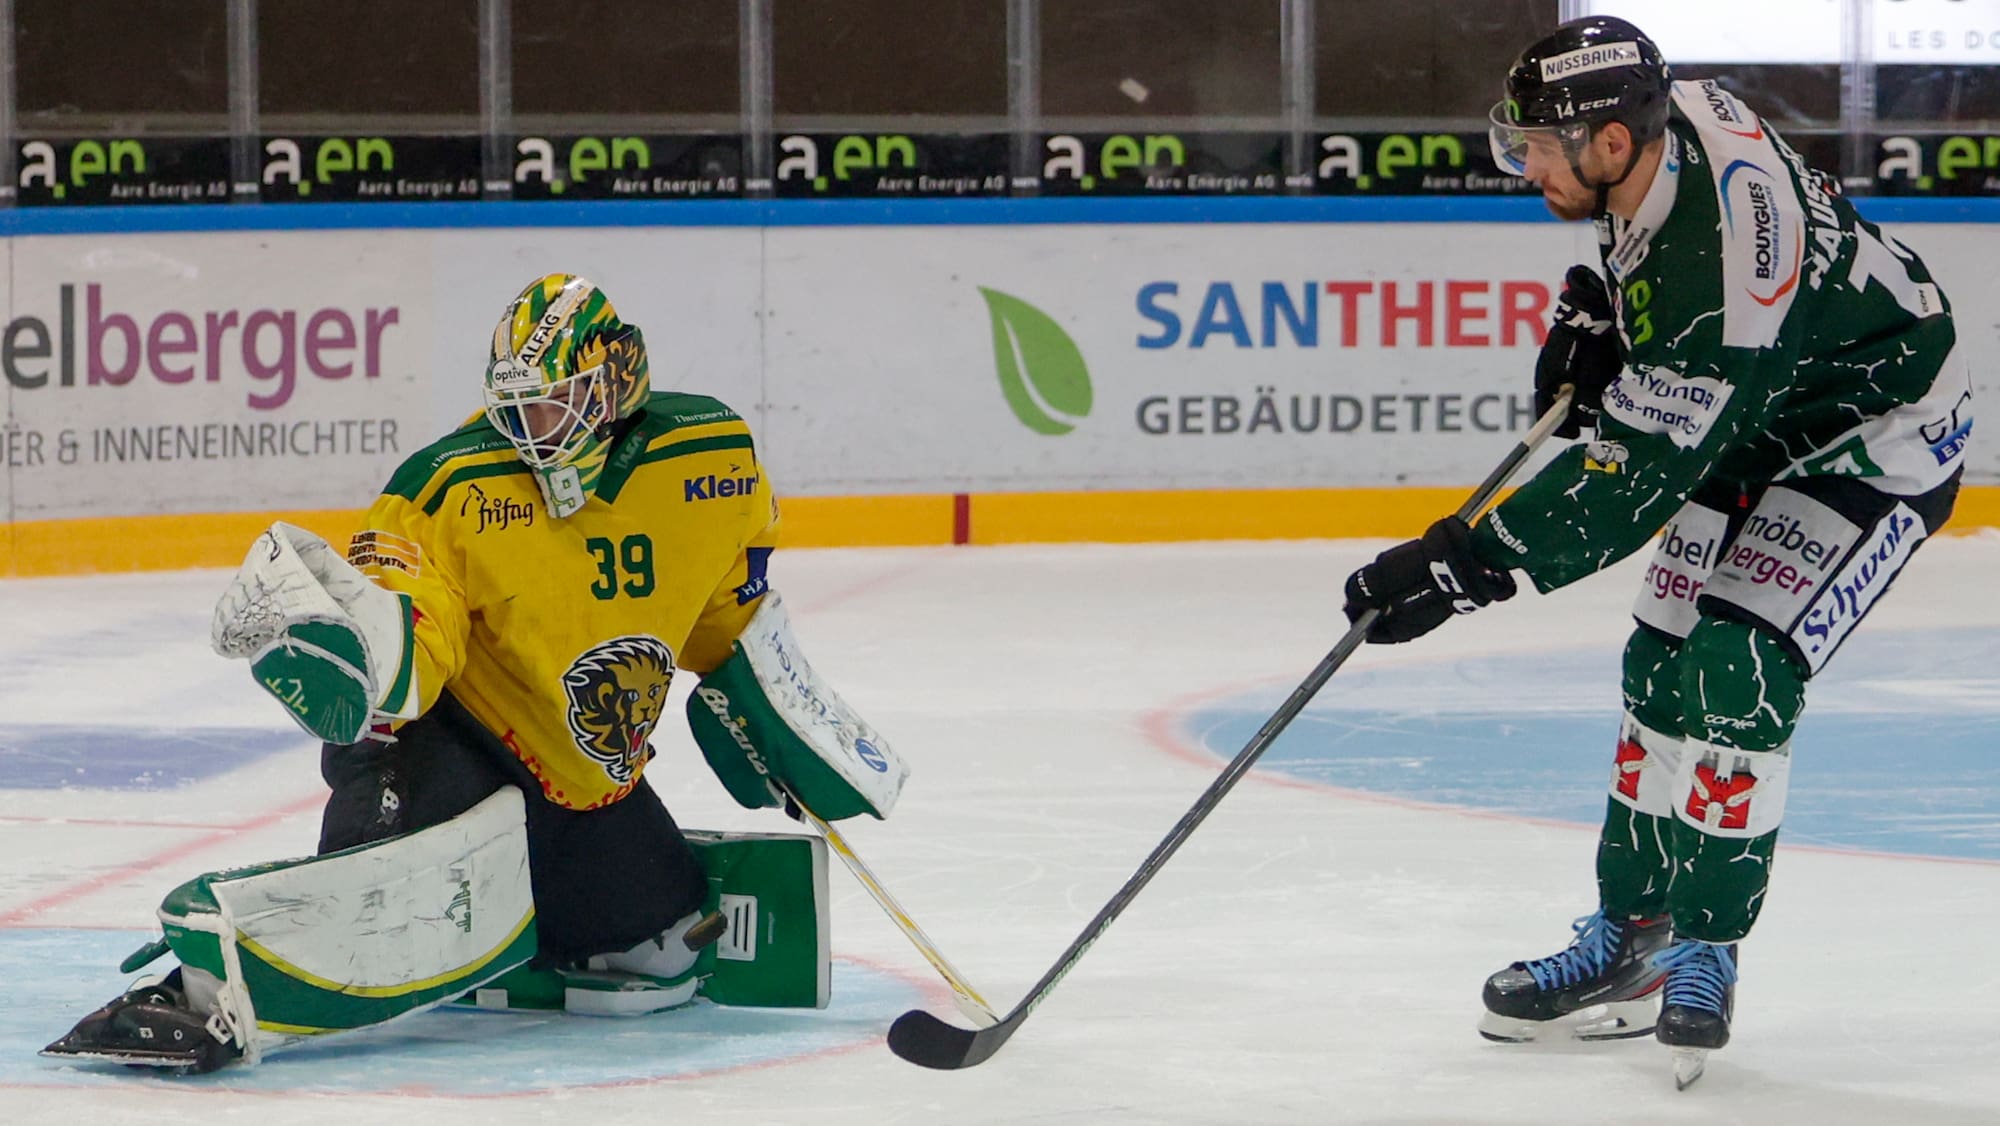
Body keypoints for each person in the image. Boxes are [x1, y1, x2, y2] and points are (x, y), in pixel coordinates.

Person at [45, 274, 906, 1072]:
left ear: (614, 382)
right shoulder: (452, 484)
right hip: (442, 745)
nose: (533, 435)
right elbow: (415, 629)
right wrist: (347, 648)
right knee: (389, 897)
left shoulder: (712, 460)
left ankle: (510, 936)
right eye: (518, 412)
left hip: (574, 777)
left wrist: (770, 711)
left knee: (661, 944)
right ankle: (202, 991)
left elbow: (724, 611)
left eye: (553, 409)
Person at [1339, 16, 1972, 1085]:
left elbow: (1628, 485)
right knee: (1654, 665)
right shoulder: (1667, 120)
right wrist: (1612, 328)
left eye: (1541, 148)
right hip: (1760, 402)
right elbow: (1672, 317)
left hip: (1873, 433)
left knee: (1734, 663)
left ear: (1612, 146)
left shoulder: (1725, 272)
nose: (1524, 166)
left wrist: (1461, 558)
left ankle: (1702, 945)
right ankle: (1628, 935)